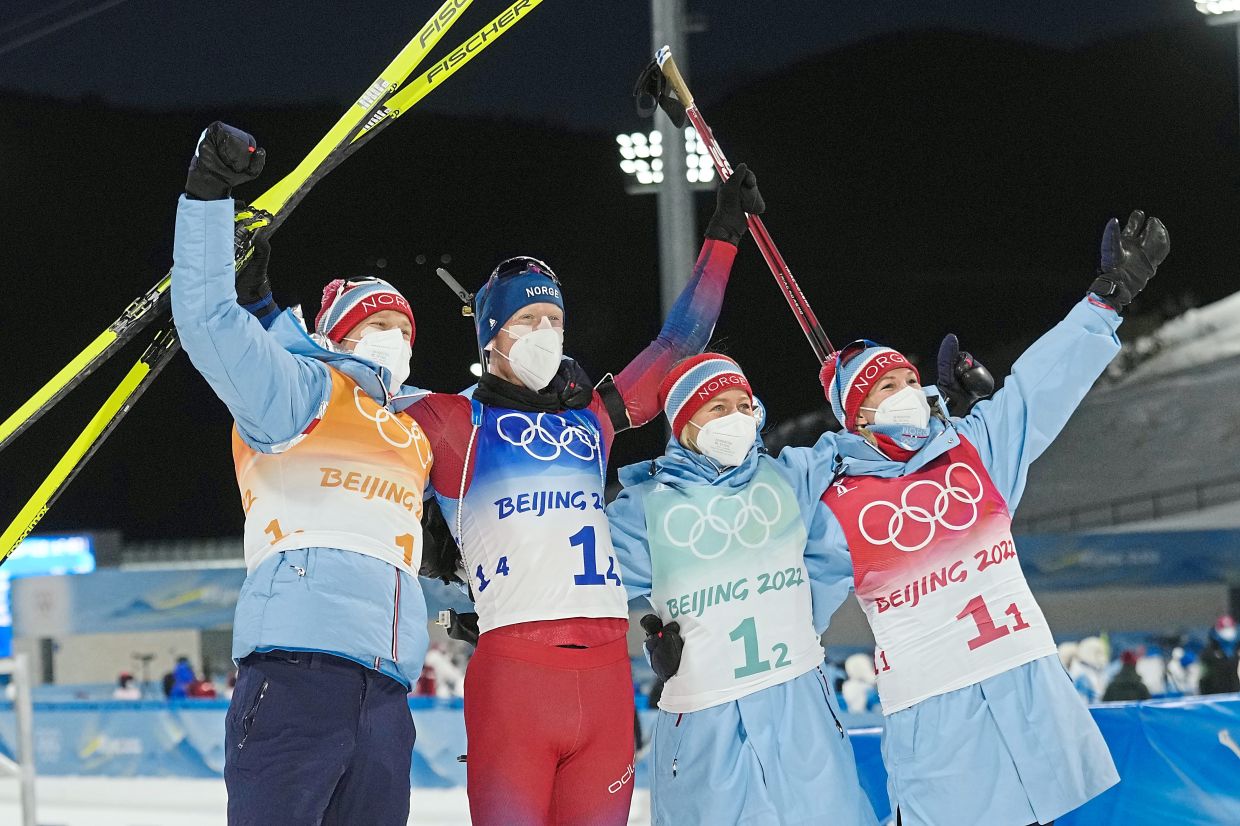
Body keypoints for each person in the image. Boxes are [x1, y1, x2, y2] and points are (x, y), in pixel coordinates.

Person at [403, 167, 763, 826]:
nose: (546, 332)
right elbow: (347, 408)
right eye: (528, 319)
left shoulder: (591, 420)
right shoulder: (454, 420)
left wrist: (723, 235)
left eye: (554, 320)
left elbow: (676, 347)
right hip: (515, 677)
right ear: (490, 334)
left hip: (604, 681)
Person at [803, 210, 1169, 826]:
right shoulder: (837, 503)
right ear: (856, 418)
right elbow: (785, 598)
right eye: (885, 386)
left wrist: (1107, 300)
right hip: (937, 726)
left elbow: (1036, 390)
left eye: (908, 379)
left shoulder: (972, 451)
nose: (906, 392)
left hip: (1025, 697)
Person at [172, 122, 429, 826]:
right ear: (332, 335)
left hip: (386, 698)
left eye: (408, 331)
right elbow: (204, 319)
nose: (398, 342)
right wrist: (206, 195)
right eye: (380, 327)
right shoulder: (300, 395)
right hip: (294, 677)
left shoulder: (410, 435)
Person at [606, 354, 878, 826]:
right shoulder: (644, 509)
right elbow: (579, 574)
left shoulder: (791, 475)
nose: (735, 418)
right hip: (703, 722)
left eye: (742, 405)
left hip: (800, 710)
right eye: (717, 408)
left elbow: (872, 451)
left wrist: (863, 388)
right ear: (685, 422)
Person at [1200, 614, 1240, 695]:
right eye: (1225, 629)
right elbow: (1204, 677)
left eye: (1230, 628)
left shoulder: (1237, 649)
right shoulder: (1209, 652)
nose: (1228, 632)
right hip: (1215, 694)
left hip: (1236, 694)